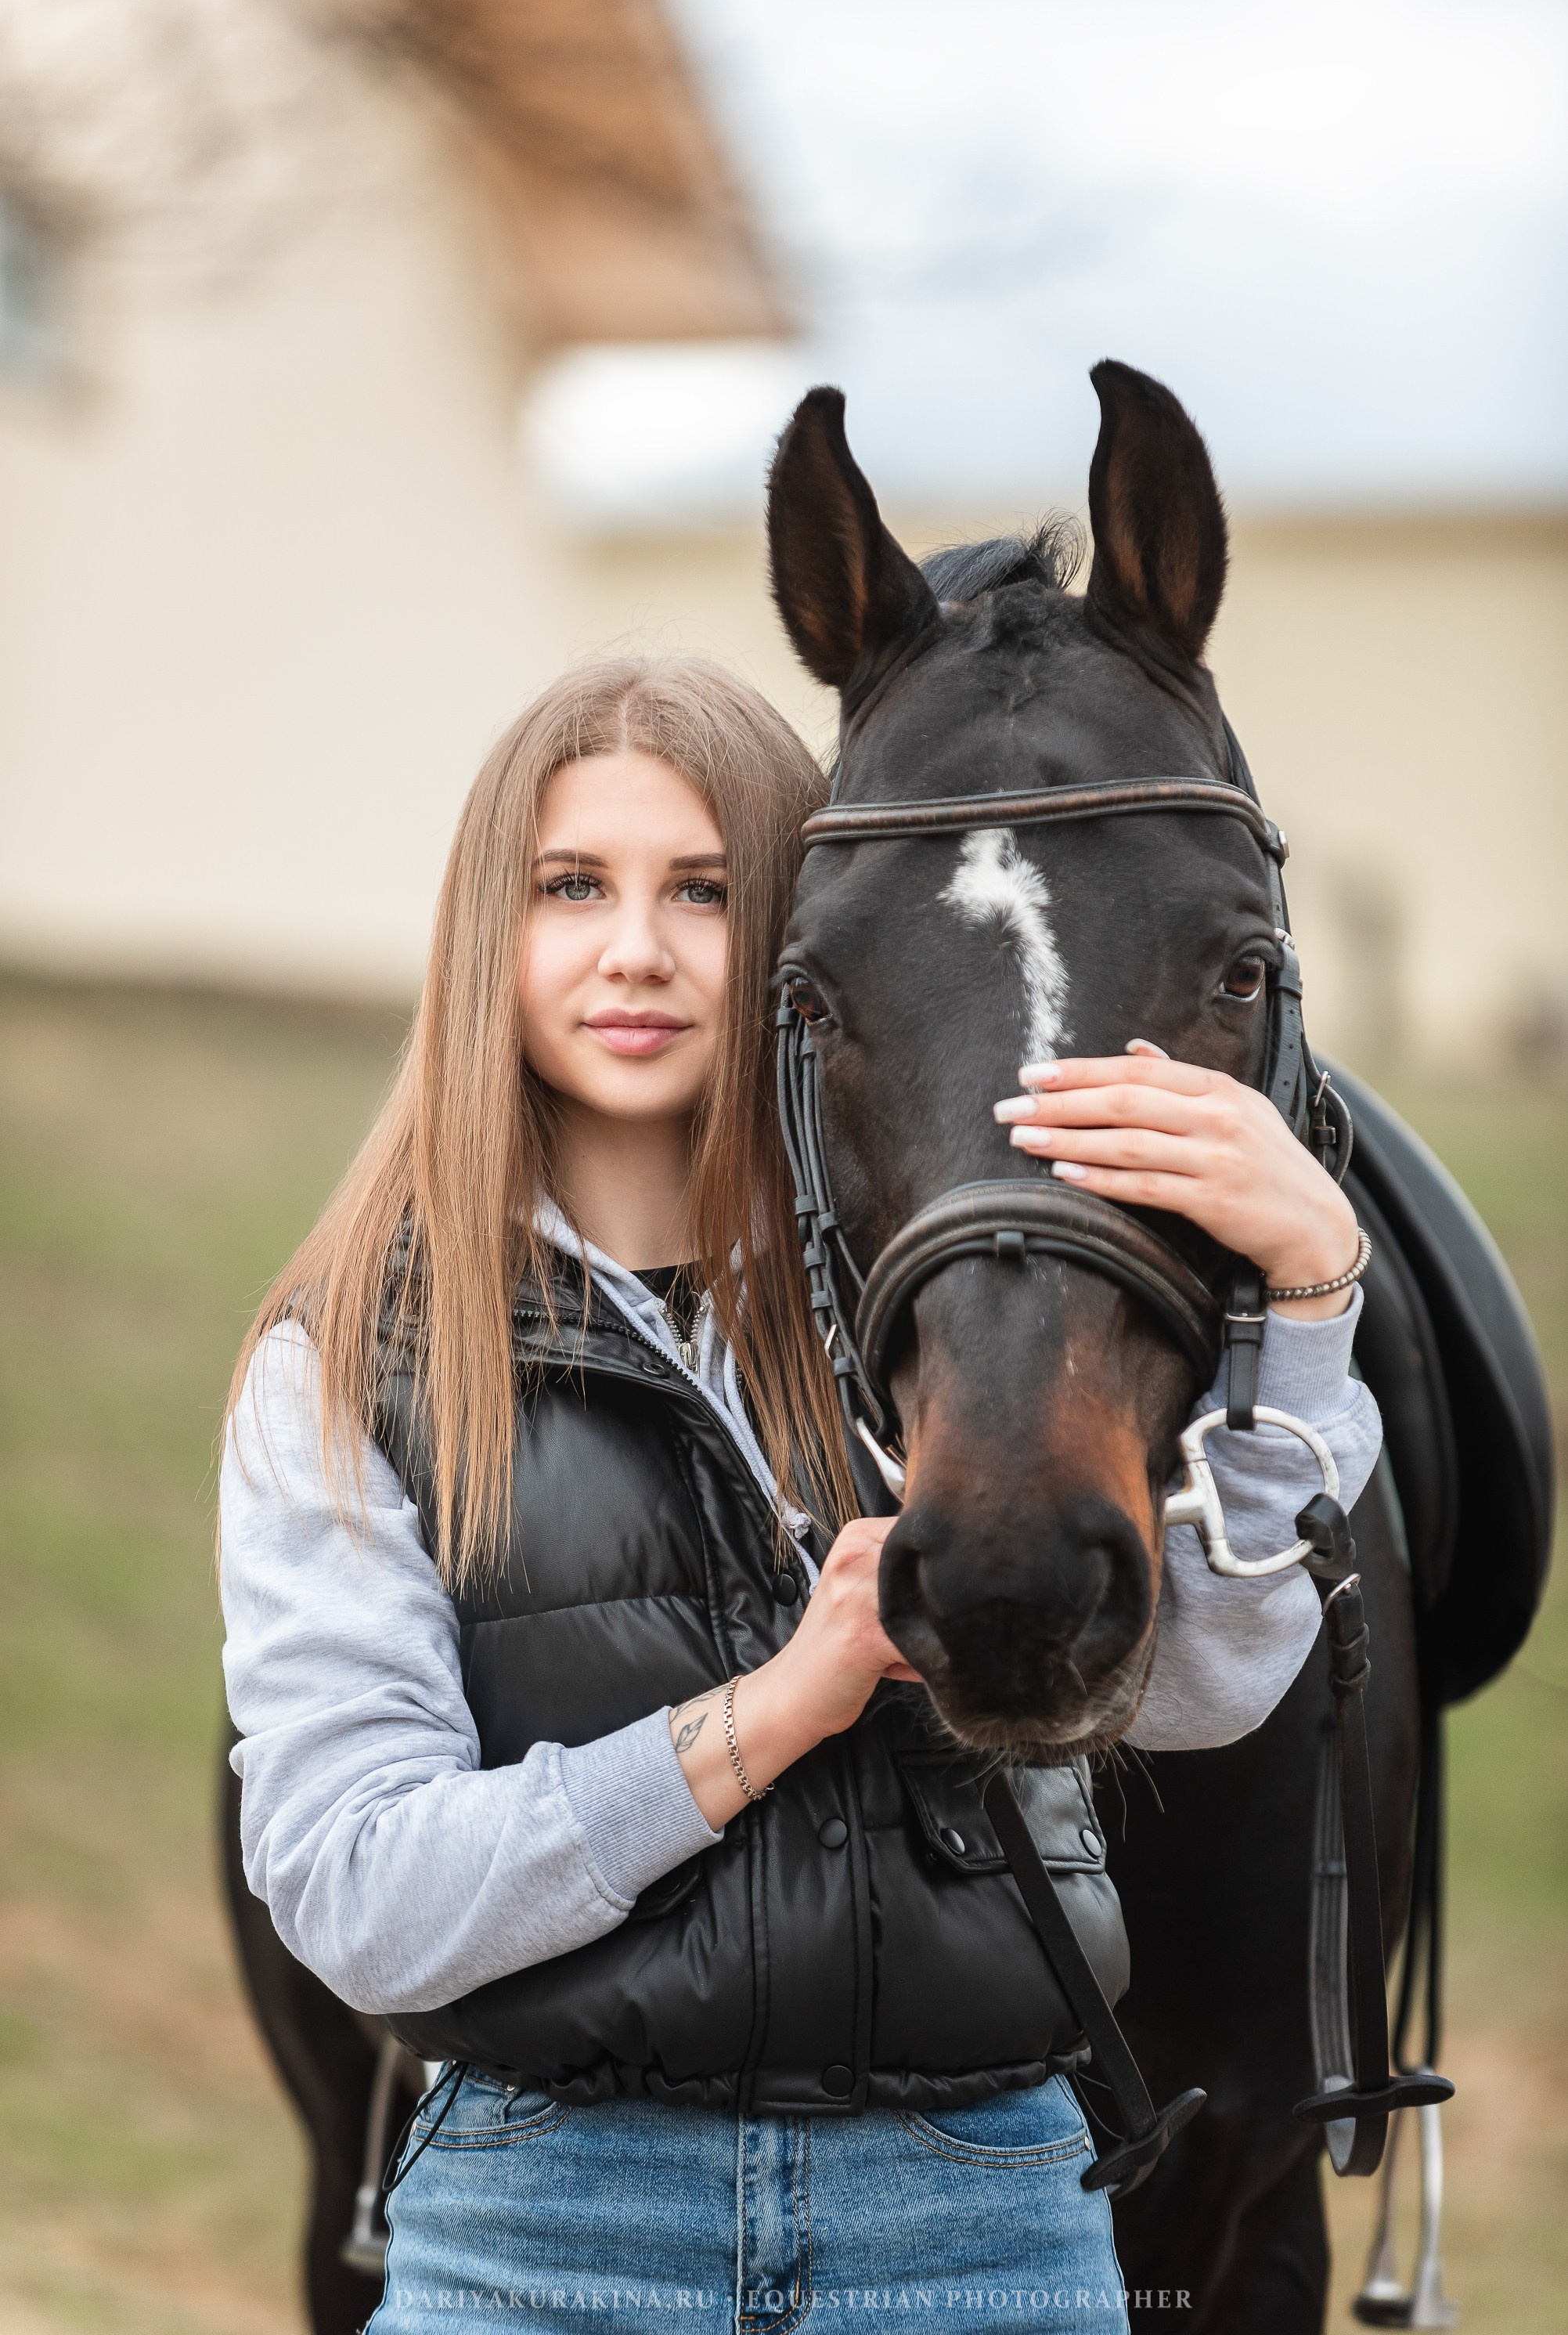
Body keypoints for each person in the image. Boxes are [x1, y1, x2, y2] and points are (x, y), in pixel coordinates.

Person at [219, 655, 1379, 2333]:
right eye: (571, 888)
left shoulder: (955, 1328)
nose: (635, 950)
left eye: (703, 889)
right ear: (491, 933)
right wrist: (762, 1718)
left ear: (802, 937)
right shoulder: (345, 1368)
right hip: (540, 2238)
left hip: (979, 2227)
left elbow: (1195, 1692)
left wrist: (1316, 1294)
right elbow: (354, 1891)